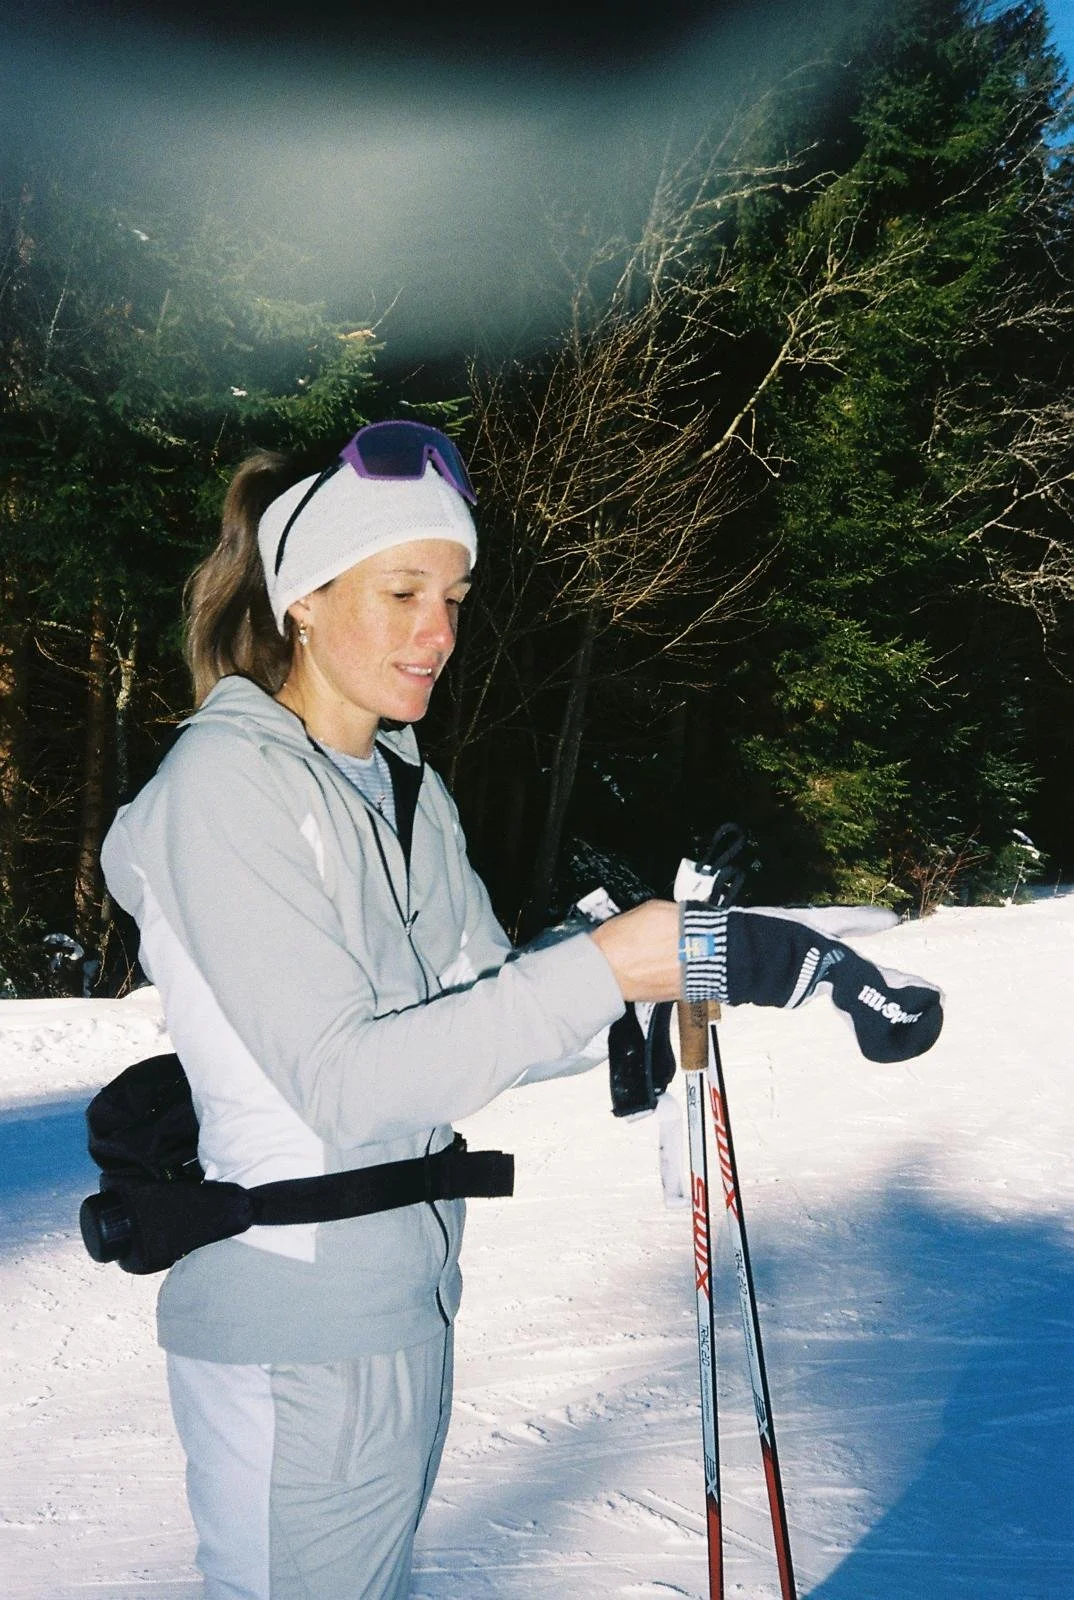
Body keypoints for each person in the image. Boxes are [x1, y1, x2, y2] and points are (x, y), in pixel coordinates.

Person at [101, 421, 942, 1600]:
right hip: (291, 1323)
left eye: (453, 594)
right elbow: (348, 1085)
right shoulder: (225, 786)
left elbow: (487, 1016)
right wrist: (609, 963)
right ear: (302, 599)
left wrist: (664, 957)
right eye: (401, 591)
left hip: (404, 1305)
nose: (439, 631)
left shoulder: (407, 785)